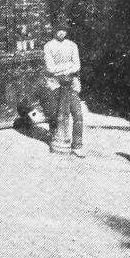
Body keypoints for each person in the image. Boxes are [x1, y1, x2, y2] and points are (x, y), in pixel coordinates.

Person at [43, 22, 85, 157]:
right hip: (55, 84)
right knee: (56, 114)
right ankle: (57, 141)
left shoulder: (72, 45)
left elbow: (77, 66)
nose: (61, 32)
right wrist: (68, 66)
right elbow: (50, 68)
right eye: (59, 30)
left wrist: (61, 69)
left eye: (64, 30)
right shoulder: (48, 46)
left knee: (78, 115)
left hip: (71, 84)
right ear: (54, 31)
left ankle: (77, 145)